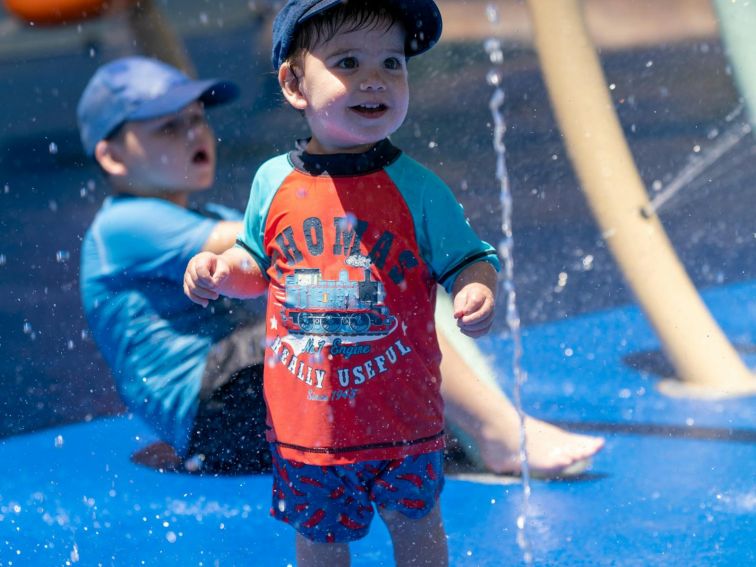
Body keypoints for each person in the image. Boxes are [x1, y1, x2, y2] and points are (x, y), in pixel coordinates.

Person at [77, 54, 602, 480]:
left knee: (380, 295)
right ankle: (493, 432)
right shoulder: (126, 225)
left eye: (197, 119)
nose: (195, 134)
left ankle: (467, 426)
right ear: (112, 157)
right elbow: (293, 240)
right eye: (169, 128)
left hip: (236, 408)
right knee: (346, 301)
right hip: (210, 409)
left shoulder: (197, 213)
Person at [183, 1, 496, 564]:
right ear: (294, 83)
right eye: (348, 62)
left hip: (406, 423)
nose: (374, 79)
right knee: (320, 545)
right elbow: (257, 264)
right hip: (311, 431)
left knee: (419, 531)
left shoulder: (418, 188)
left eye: (393, 64)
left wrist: (476, 287)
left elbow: (470, 257)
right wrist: (223, 270)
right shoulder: (273, 182)